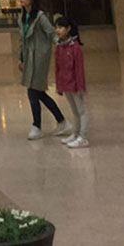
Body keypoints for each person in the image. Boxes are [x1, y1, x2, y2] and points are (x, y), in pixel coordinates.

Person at [17, 0, 69, 140]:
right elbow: (22, 39)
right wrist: (20, 57)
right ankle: (61, 121)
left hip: (39, 57)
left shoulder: (40, 17)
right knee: (38, 91)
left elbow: (51, 33)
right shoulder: (22, 17)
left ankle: (37, 126)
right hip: (29, 56)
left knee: (33, 90)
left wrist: (62, 45)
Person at [54, 16, 88, 148]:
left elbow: (79, 69)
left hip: (75, 85)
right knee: (74, 111)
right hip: (65, 83)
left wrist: (80, 86)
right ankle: (75, 133)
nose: (58, 30)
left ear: (68, 29)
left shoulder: (75, 47)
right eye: (56, 27)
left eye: (60, 27)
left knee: (81, 110)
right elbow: (57, 67)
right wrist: (59, 85)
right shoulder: (59, 47)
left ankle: (83, 137)